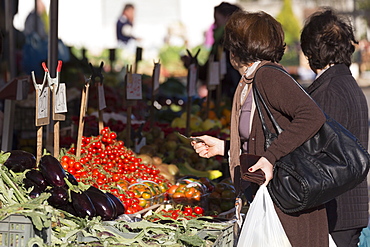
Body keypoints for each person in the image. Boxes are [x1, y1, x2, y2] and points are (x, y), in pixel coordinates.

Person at [191, 10, 329, 246]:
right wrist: (225, 148)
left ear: (238, 49)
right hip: (272, 201)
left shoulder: (267, 75)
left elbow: (311, 116)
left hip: (287, 207)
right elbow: (264, 137)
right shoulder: (249, 81)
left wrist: (271, 157)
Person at [300, 8, 369, 247]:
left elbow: (321, 155)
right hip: (346, 208)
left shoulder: (330, 90)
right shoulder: (344, 82)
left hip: (336, 210)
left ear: (311, 50)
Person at [182, 2, 241, 99]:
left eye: (217, 20)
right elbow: (208, 72)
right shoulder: (219, 44)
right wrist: (193, 64)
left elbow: (213, 73)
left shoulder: (229, 44)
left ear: (227, 18)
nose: (214, 25)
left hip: (227, 97)